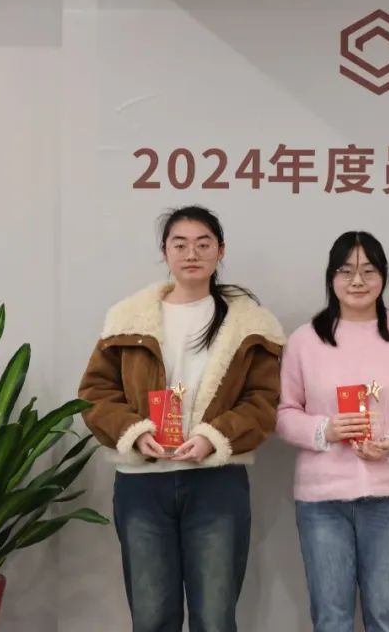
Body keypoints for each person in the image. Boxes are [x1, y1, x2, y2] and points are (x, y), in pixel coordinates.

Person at [78, 204, 284, 632]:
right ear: (165, 251)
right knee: (152, 616)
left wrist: (214, 436)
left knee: (215, 617)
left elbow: (263, 401)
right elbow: (95, 393)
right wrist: (134, 433)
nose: (192, 253)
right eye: (181, 244)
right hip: (142, 484)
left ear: (220, 250)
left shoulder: (250, 325)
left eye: (203, 244)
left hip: (216, 481)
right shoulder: (126, 319)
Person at [277, 231, 389, 632]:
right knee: (331, 618)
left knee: (386, 617)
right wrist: (325, 429)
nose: (357, 281)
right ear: (331, 277)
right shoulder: (305, 339)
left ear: (383, 276)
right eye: (345, 271)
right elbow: (283, 413)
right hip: (322, 500)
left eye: (368, 271)